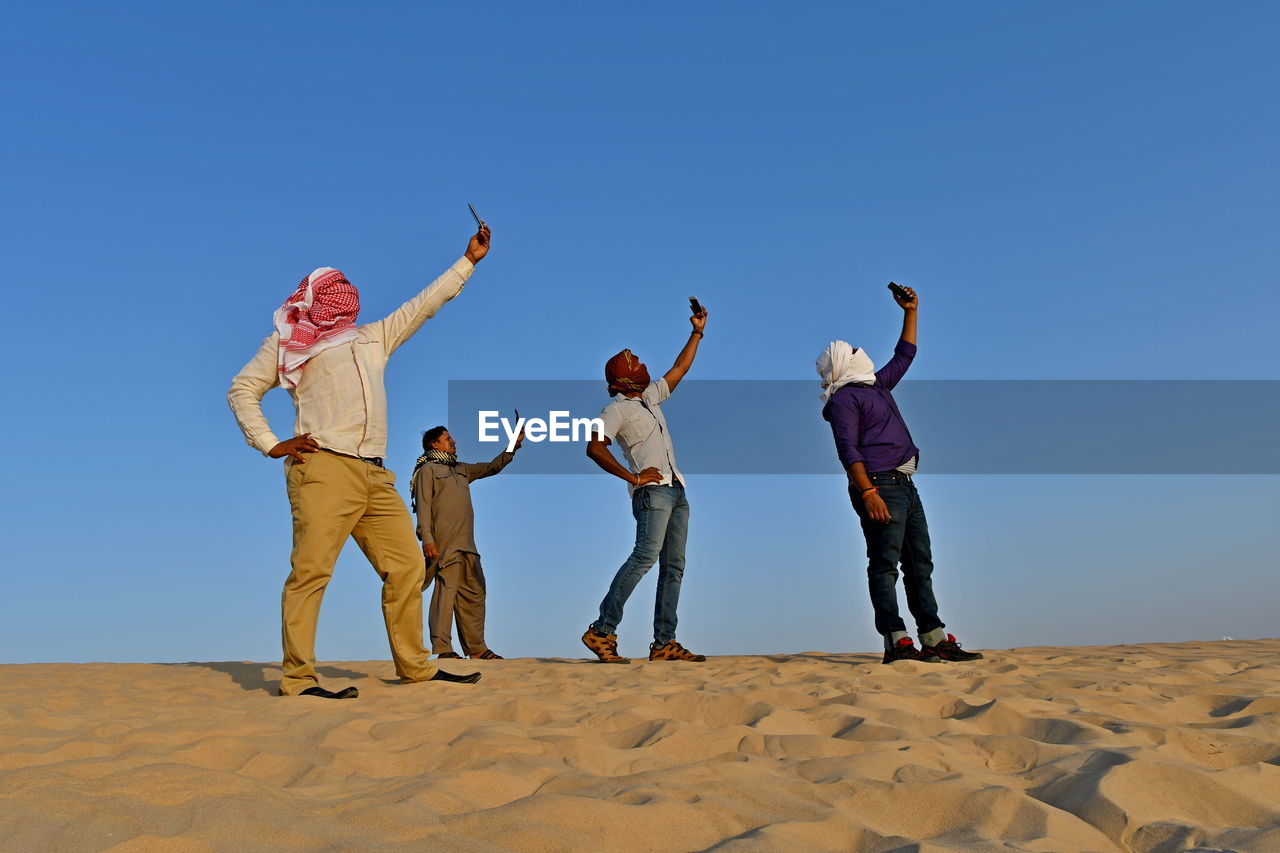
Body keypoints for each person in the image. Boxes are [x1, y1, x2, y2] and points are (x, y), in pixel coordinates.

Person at [227, 223, 492, 699]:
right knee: (311, 572)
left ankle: (416, 667)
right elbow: (243, 389)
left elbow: (423, 305)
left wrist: (467, 261)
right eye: (332, 292)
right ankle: (299, 679)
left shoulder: (372, 338)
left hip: (375, 474)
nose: (342, 298)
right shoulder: (289, 344)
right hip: (323, 468)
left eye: (346, 291)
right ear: (309, 299)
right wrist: (270, 443)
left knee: (408, 566)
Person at [818, 285, 984, 665]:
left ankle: (933, 636)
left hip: (906, 485)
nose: (864, 354)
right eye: (856, 352)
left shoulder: (877, 387)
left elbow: (905, 354)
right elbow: (848, 451)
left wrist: (911, 311)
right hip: (879, 486)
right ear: (845, 363)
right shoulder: (844, 400)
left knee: (920, 564)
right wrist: (867, 493)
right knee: (884, 563)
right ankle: (896, 639)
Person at [581, 305, 710, 664]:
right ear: (624, 376)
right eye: (633, 360)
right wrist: (634, 477)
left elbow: (680, 368)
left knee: (674, 567)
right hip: (651, 493)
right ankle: (601, 630)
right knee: (644, 558)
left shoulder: (650, 397)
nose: (640, 361)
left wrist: (697, 332)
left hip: (676, 489)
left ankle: (664, 642)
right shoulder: (615, 410)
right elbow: (594, 447)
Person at [411, 425, 521, 661]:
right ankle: (443, 649)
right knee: (446, 594)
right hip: (444, 542)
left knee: (474, 592)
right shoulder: (427, 470)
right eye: (448, 439)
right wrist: (427, 538)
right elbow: (423, 506)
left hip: (468, 544)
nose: (454, 442)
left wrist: (512, 445)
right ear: (434, 444)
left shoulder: (461, 469)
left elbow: (492, 467)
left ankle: (477, 648)